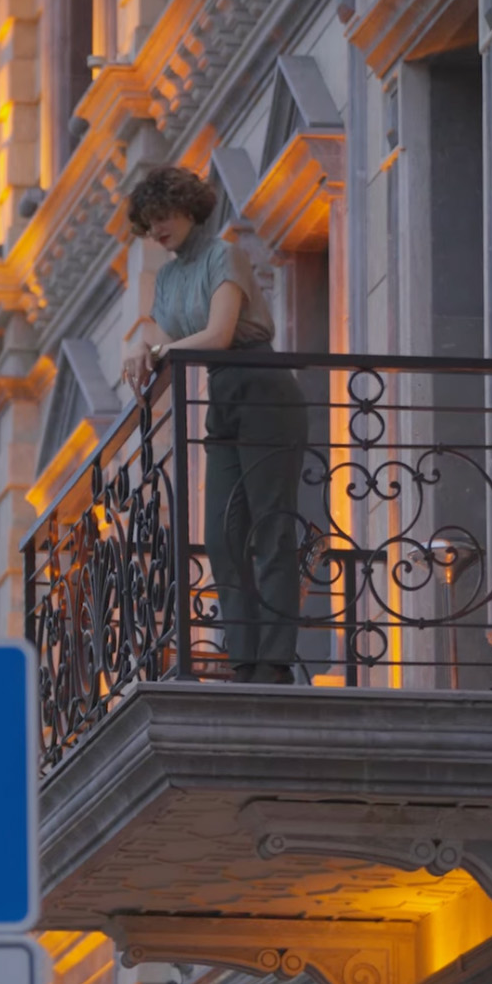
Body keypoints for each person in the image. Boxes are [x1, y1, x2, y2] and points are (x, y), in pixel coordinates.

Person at [117, 166, 310, 683]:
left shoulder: (226, 255)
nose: (157, 229)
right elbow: (163, 341)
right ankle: (243, 656)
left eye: (165, 216)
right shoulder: (169, 278)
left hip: (262, 384)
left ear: (188, 208)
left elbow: (219, 334)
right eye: (149, 222)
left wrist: (155, 348)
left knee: (270, 526)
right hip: (221, 394)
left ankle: (274, 660)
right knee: (223, 534)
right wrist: (142, 346)